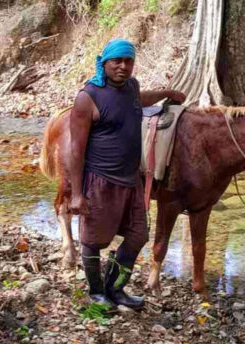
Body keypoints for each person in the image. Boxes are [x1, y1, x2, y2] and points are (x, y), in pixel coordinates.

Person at [66, 39, 186, 309]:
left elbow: (138, 100)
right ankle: (97, 293)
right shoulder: (88, 97)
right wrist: (76, 194)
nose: (122, 66)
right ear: (104, 62)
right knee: (93, 241)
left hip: (131, 180)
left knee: (137, 236)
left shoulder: (132, 86)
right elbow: (75, 150)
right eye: (116, 61)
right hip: (100, 181)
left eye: (128, 61)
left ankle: (115, 289)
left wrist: (168, 93)